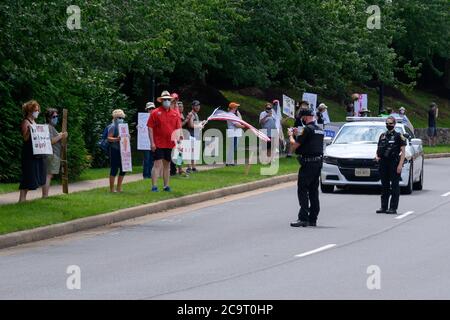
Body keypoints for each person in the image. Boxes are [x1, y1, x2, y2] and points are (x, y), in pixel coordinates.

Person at [288, 109, 324, 227]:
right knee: (314, 191)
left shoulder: (307, 129)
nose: (301, 120)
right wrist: (299, 134)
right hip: (318, 162)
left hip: (308, 163)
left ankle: (303, 217)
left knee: (303, 189)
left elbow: (295, 145)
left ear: (305, 117)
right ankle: (313, 218)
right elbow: (309, 141)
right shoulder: (319, 129)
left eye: (302, 117)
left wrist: (291, 136)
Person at [147, 91, 182, 192]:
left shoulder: (175, 114)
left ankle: (166, 186)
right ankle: (154, 186)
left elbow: (178, 129)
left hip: (170, 143)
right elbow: (150, 128)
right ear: (161, 101)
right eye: (164, 99)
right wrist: (152, 142)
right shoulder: (155, 112)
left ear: (171, 101)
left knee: (167, 164)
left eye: (168, 99)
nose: (166, 101)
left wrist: (179, 142)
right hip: (158, 143)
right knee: (157, 164)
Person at [375, 116, 407, 215]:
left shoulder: (399, 136)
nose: (388, 125)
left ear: (394, 124)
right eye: (387, 123)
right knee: (384, 185)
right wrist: (376, 156)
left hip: (394, 163)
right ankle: (383, 207)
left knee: (394, 186)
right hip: (383, 163)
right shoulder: (382, 136)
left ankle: (393, 207)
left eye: (390, 124)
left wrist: (400, 165)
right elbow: (378, 149)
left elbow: (403, 152)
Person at [19, 100, 47, 202]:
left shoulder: (34, 122)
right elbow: (25, 138)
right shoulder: (26, 122)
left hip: (35, 153)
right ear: (30, 111)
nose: (38, 111)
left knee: (31, 175)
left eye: (38, 110)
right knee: (27, 175)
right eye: (36, 110)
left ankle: (23, 199)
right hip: (28, 154)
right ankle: (22, 199)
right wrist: (30, 130)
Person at [42, 108, 68, 198]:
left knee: (49, 175)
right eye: (54, 116)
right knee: (48, 175)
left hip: (53, 154)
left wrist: (60, 135)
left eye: (57, 116)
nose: (56, 118)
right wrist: (61, 135)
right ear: (49, 118)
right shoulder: (48, 127)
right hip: (51, 154)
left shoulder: (51, 127)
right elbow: (51, 141)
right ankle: (45, 196)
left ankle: (45, 195)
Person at [107, 109, 127, 193]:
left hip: (124, 150)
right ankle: (112, 189)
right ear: (114, 117)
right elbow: (109, 138)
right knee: (114, 169)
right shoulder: (112, 126)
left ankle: (119, 187)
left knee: (123, 169)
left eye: (122, 117)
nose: (120, 119)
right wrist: (117, 139)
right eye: (119, 117)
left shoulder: (124, 126)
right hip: (114, 149)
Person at [186, 100, 205, 173]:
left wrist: (201, 123)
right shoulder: (191, 114)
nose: (198, 107)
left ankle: (193, 167)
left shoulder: (196, 114)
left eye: (198, 105)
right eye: (196, 105)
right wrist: (199, 126)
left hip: (195, 135)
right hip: (190, 135)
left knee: (194, 152)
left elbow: (195, 124)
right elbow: (190, 125)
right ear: (192, 106)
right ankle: (188, 168)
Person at [226, 102, 245, 166]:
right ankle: (229, 162)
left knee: (232, 147)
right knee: (232, 147)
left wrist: (238, 113)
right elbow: (236, 124)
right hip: (233, 132)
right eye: (236, 107)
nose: (237, 108)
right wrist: (243, 126)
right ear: (233, 108)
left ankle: (230, 162)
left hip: (233, 132)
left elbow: (240, 120)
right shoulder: (231, 115)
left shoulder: (233, 115)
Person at [142, 102, 156, 179]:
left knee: (152, 159)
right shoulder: (143, 119)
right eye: (150, 109)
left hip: (154, 141)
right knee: (147, 159)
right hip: (145, 142)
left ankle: (150, 174)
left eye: (152, 108)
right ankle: (146, 175)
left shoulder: (156, 117)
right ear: (147, 110)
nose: (151, 110)